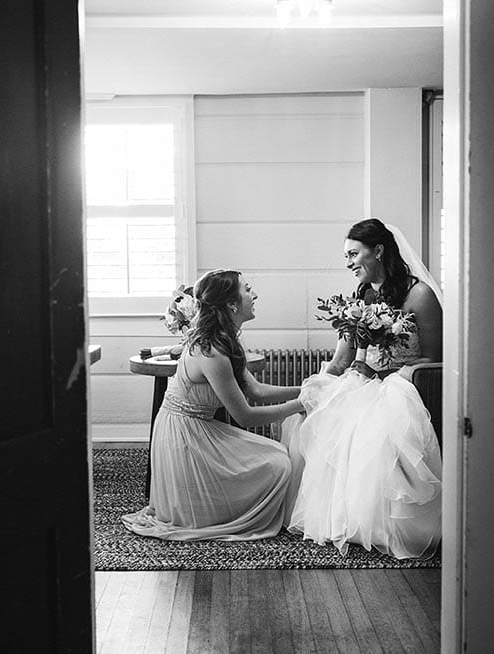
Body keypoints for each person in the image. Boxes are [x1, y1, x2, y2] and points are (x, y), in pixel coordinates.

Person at [282, 219, 444, 559]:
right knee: (319, 410)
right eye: (347, 256)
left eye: (354, 253)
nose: (349, 262)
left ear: (378, 251)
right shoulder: (361, 296)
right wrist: (319, 383)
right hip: (365, 381)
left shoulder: (420, 295)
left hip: (405, 385)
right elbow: (342, 360)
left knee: (373, 426)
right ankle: (345, 520)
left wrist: (389, 373)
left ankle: (392, 525)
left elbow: (432, 359)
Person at [123, 269, 307, 541]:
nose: (254, 294)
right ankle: (214, 509)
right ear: (232, 304)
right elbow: (245, 416)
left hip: (199, 426)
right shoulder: (212, 351)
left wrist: (306, 388)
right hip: (183, 436)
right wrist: (299, 405)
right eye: (247, 289)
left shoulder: (226, 338)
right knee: (278, 463)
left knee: (277, 453)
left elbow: (256, 389)